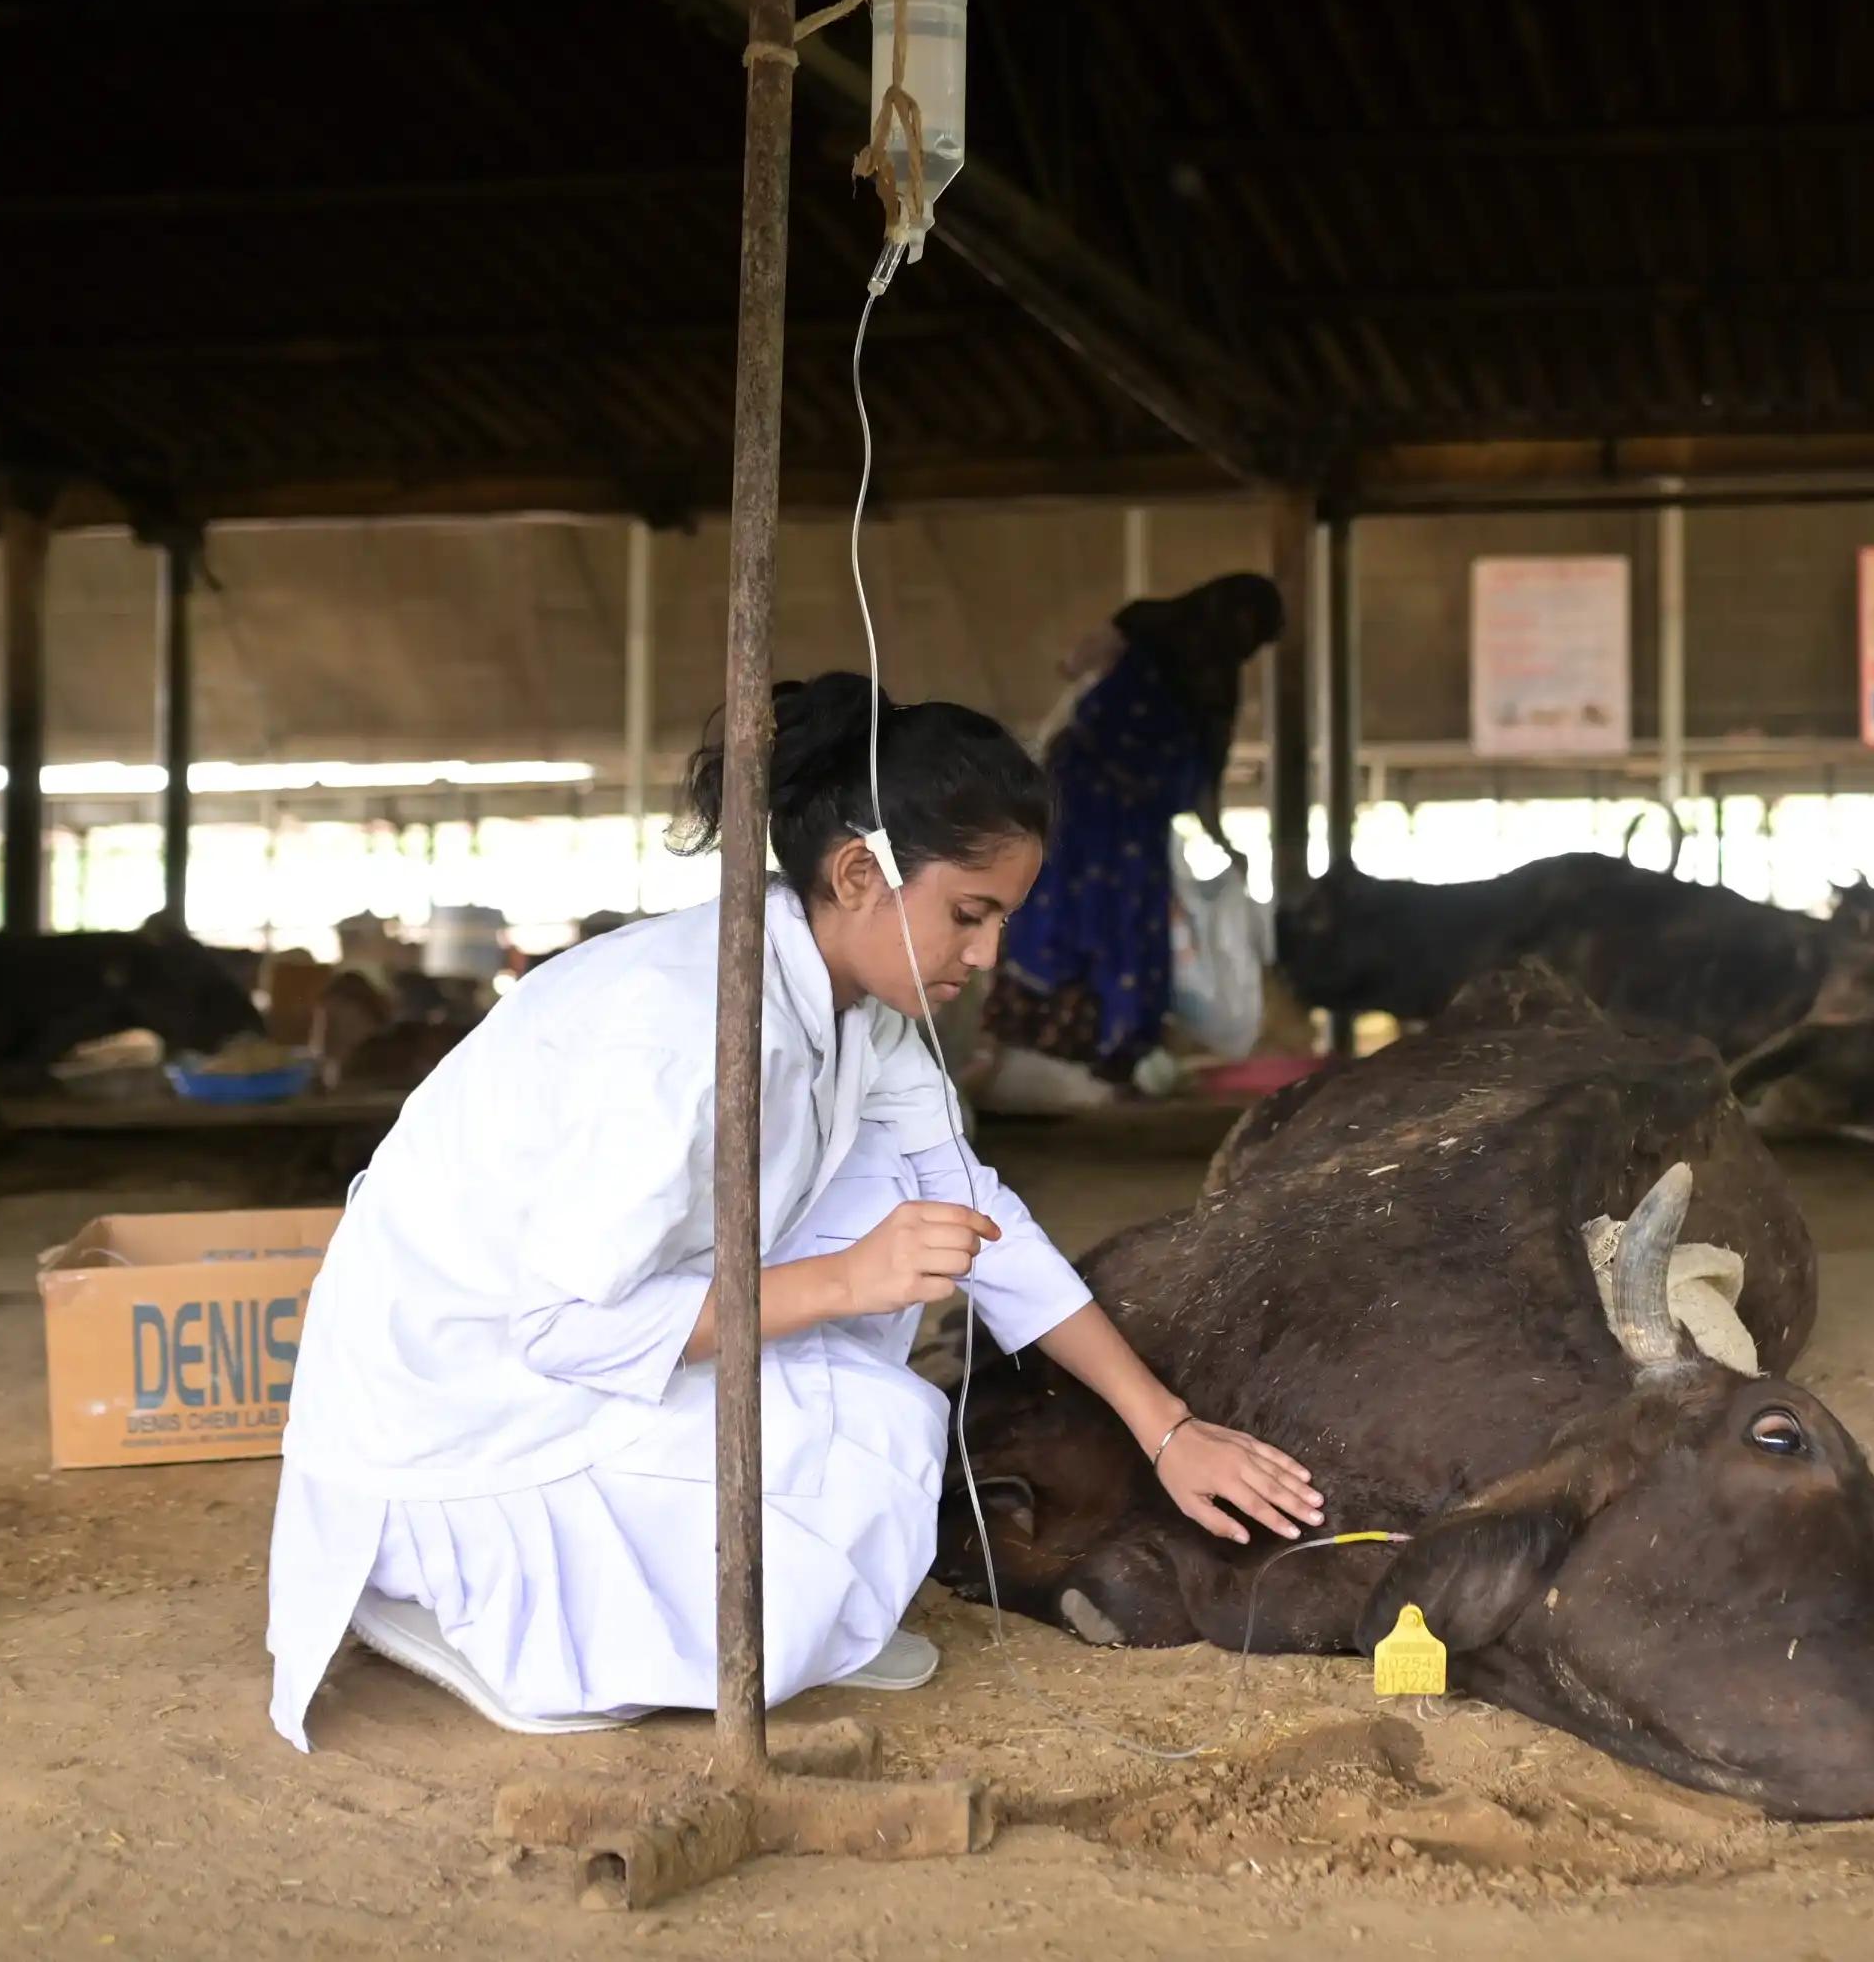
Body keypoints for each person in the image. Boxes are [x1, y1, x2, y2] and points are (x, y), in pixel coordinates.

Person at [264, 675, 1319, 1747]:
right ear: (860, 870)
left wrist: (1166, 1425)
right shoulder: (682, 1027)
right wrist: (843, 1281)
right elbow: (559, 1325)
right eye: (970, 913)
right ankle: (448, 1598)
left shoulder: (862, 1009)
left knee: (895, 1286)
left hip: (565, 1351)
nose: (989, 954)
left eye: (1003, 919)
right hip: (459, 1408)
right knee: (862, 1425)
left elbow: (976, 1209)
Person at [982, 573, 1285, 1082]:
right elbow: (1078, 668)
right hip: (1079, 806)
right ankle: (1043, 1052)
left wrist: (1224, 844)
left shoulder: (1213, 691)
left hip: (1132, 828)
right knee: (1060, 920)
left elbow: (1204, 782)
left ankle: (1110, 1058)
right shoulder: (1151, 626)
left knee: (1125, 931)